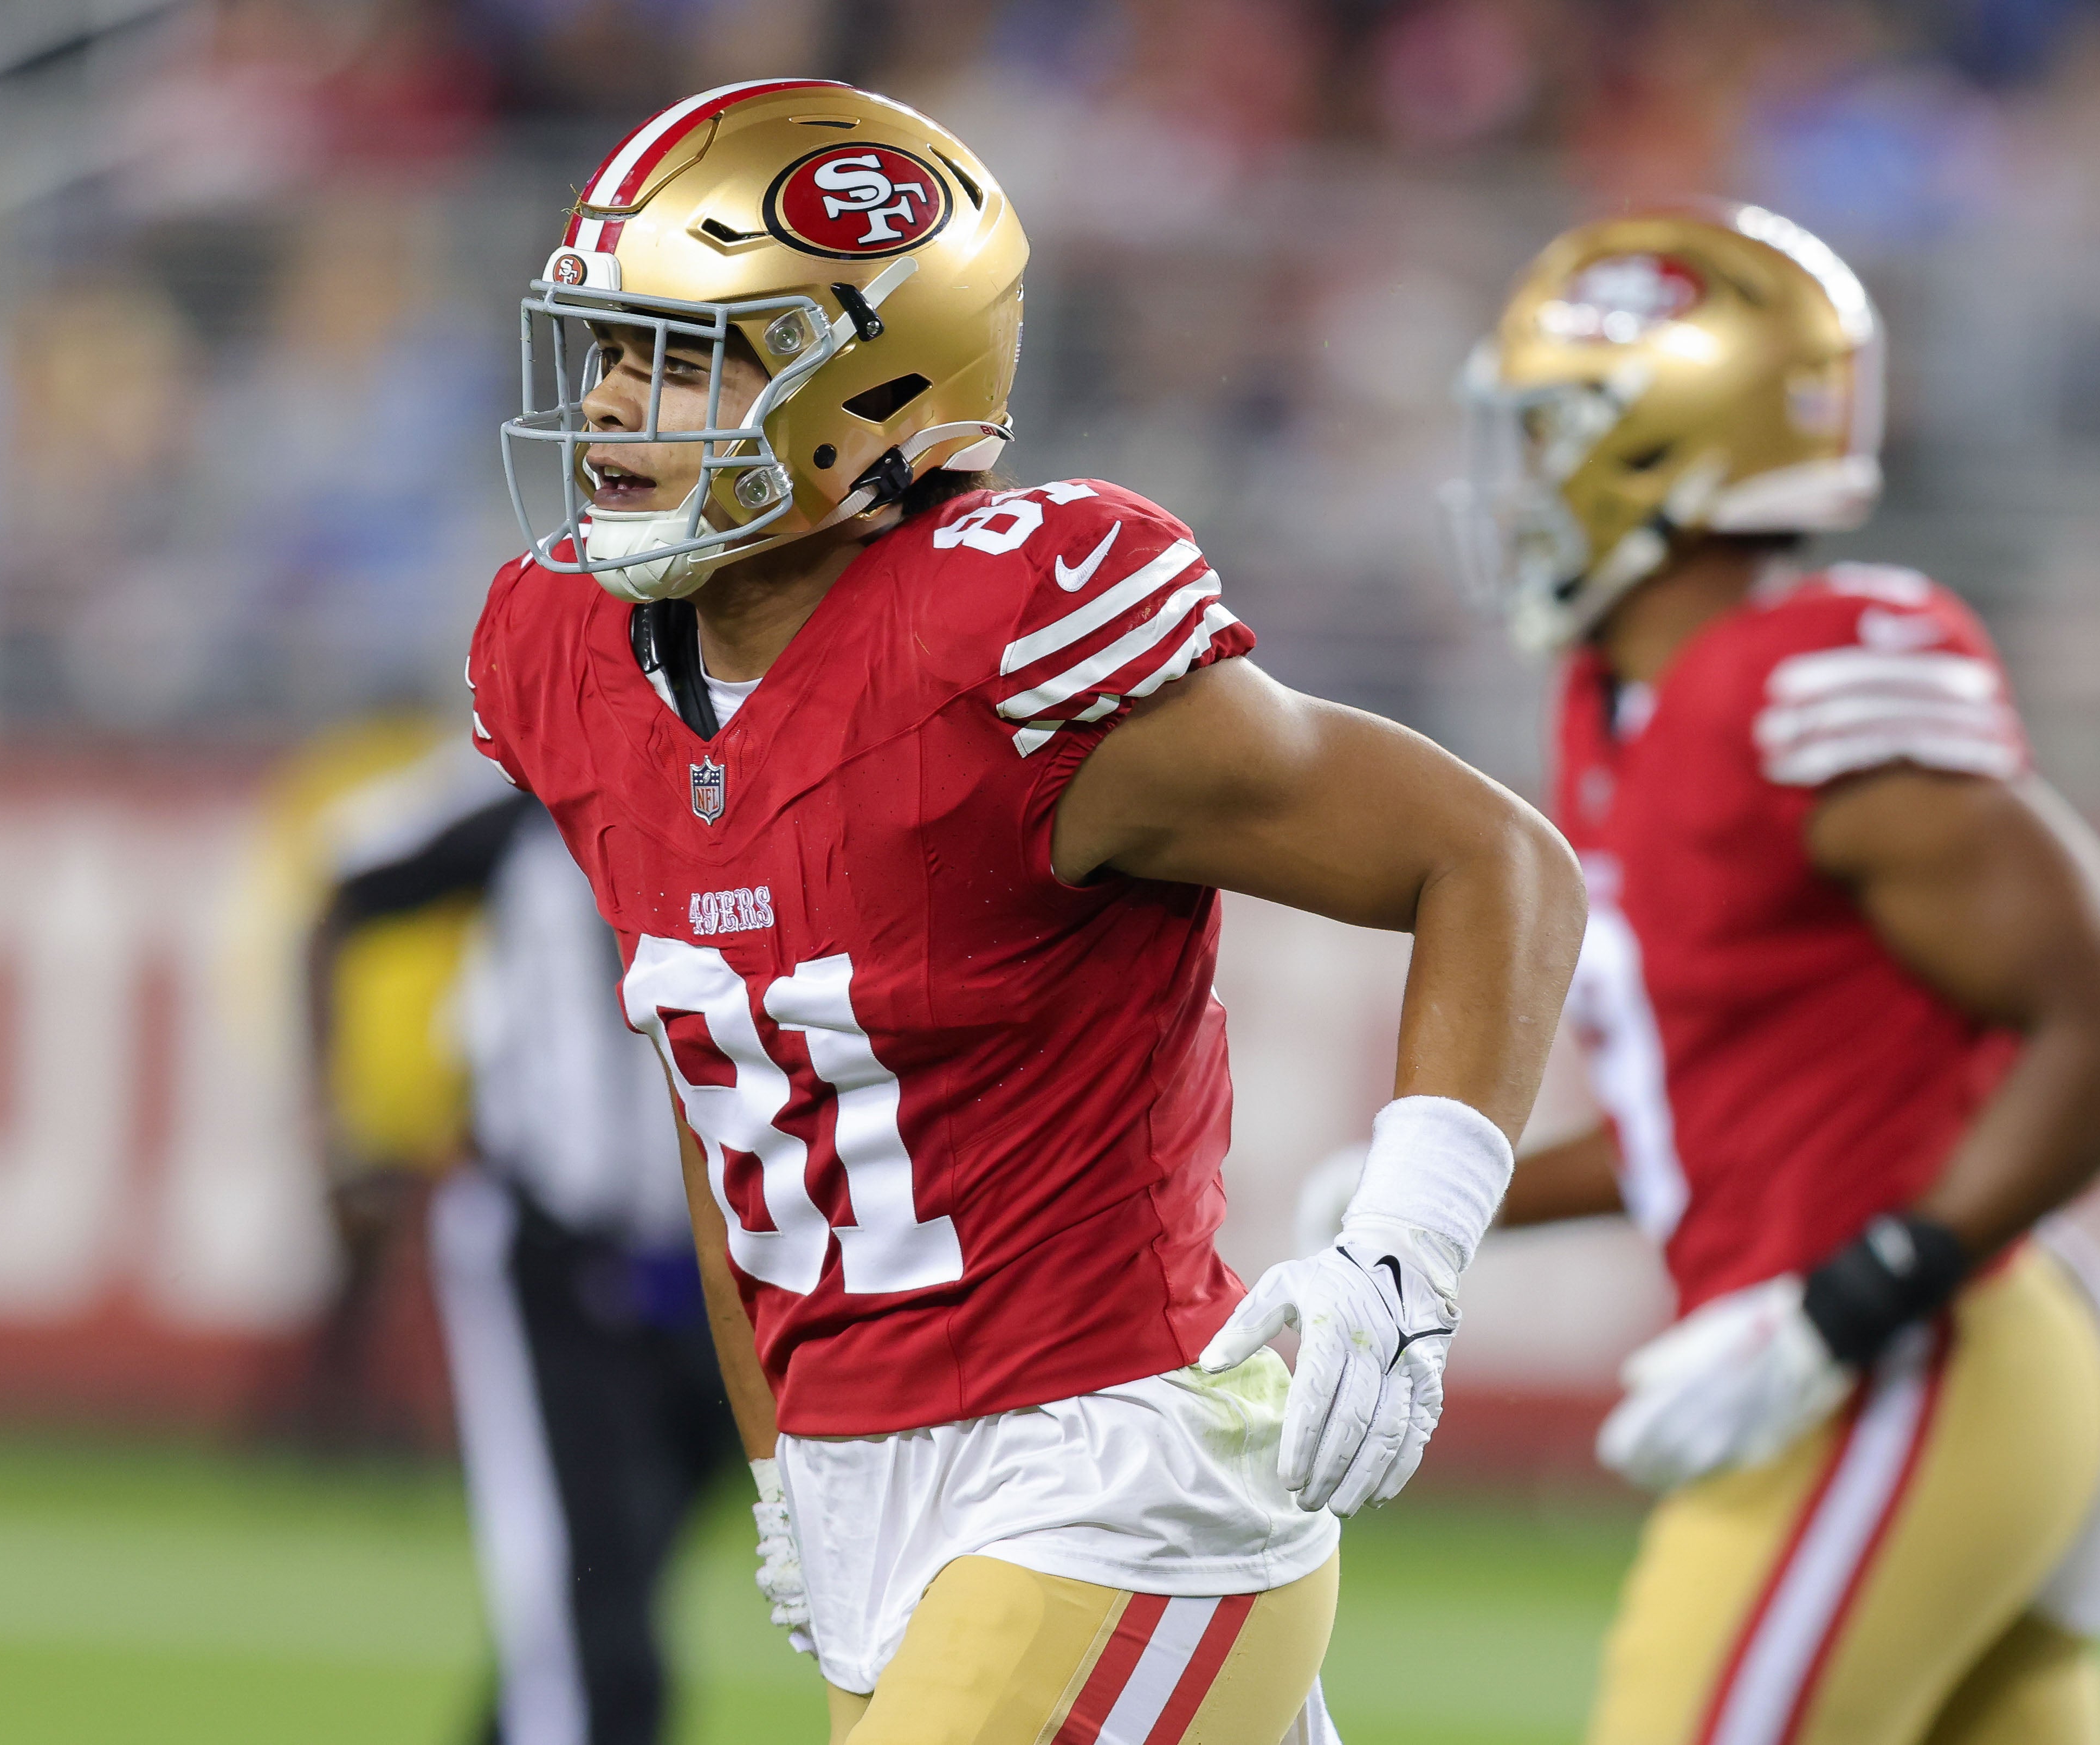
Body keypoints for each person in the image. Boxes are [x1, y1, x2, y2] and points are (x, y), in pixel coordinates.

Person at [466, 80, 1587, 1745]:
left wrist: (1407, 1249)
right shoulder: (563, 656)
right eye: (614, 348)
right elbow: (732, 1089)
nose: (621, 403)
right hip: (865, 1483)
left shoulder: (1004, 641)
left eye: (688, 357)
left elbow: (1492, 860)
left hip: (1111, 1468)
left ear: (872, 383)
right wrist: (781, 1460)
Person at [1431, 207, 2100, 1745]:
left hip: (1921, 1353)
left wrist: (1842, 1310)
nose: (1508, 481)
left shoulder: (1790, 680)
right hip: (1904, 1352)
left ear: (1654, 448)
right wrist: (1443, 1198)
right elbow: (1710, 1124)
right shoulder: (1620, 702)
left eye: (1544, 434)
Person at [309, 740, 740, 1745]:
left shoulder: (768, 762)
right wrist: (339, 1125)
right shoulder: (532, 770)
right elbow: (347, 885)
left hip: (719, 1270)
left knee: (603, 1601)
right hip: (549, 1250)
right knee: (596, 1647)